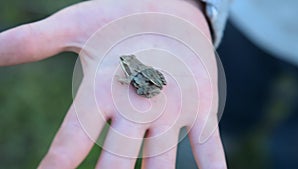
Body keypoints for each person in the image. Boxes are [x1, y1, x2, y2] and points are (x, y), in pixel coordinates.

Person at [0, 0, 229, 168]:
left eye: (124, 62)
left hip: (145, 77)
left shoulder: (128, 71)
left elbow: (130, 78)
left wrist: (127, 80)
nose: (123, 62)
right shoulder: (131, 63)